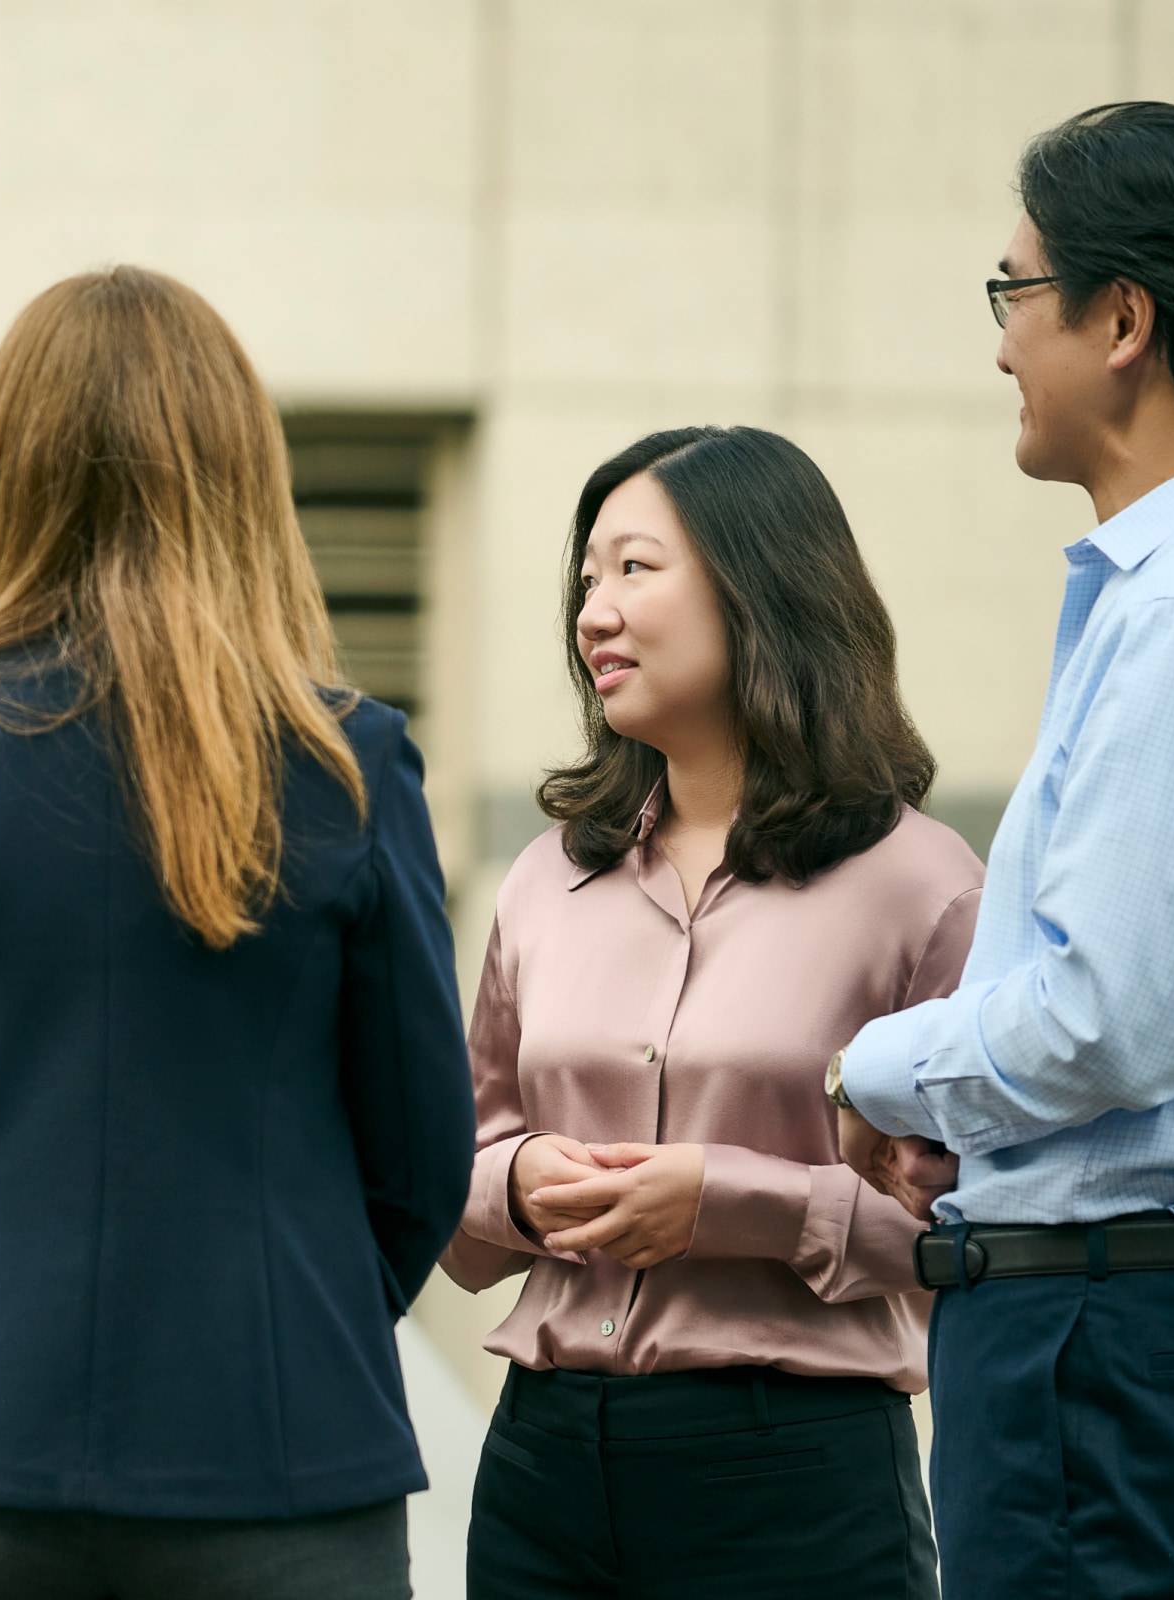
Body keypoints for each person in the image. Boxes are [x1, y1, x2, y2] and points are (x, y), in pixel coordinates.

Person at [0, 266, 474, 1600]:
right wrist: (294, 1301)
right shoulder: (348, 759)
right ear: (241, 466)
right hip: (279, 1450)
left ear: (15, 466)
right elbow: (418, 1153)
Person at [833, 101, 1174, 1600]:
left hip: (1118, 1359)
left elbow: (1112, 1019)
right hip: (1156, 1353)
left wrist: (869, 1071)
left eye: (1016, 293)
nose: (1002, 341)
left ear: (1124, 318)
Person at [438, 425, 978, 1599]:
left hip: (793, 1472)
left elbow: (967, 1243)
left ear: (761, 584)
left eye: (634, 569)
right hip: (542, 1466)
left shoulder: (923, 886)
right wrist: (521, 1184)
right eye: (585, 581)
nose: (592, 613)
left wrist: (735, 1204)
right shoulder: (544, 880)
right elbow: (456, 1183)